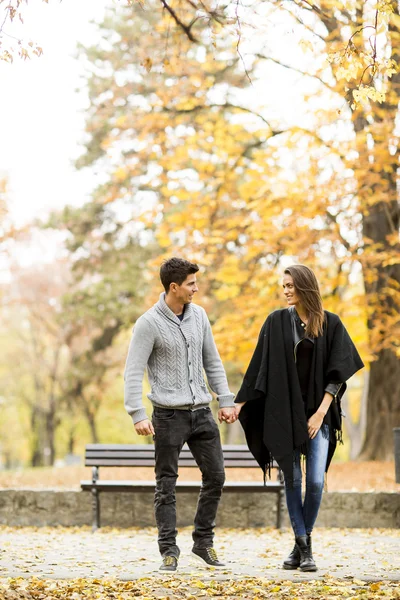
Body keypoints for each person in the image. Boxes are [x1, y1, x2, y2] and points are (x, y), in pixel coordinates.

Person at [234, 264, 364, 572]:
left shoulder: (330, 323)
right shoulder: (276, 322)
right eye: (284, 285)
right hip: (284, 415)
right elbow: (257, 367)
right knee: (292, 480)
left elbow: (338, 374)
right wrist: (239, 403)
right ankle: (306, 550)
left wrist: (320, 413)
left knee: (316, 482)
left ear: (305, 286)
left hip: (320, 415)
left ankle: (298, 546)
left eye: (291, 285)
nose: (286, 290)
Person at [124, 257, 237, 572]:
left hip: (202, 413)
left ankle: (203, 542)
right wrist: (137, 413)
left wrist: (225, 399)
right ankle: (169, 551)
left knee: (216, 476)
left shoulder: (199, 316)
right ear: (174, 287)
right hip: (168, 416)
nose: (196, 289)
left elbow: (212, 361)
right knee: (166, 484)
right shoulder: (148, 323)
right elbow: (132, 373)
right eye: (191, 284)